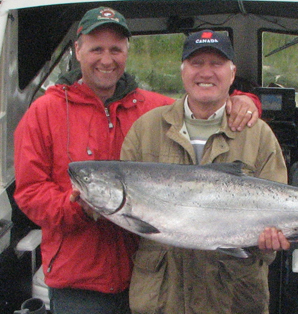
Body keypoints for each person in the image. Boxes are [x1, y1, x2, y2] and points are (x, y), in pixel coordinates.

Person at [13, 7, 262, 314]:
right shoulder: (43, 112)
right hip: (79, 283)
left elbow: (201, 102)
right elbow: (29, 194)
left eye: (116, 49)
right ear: (77, 51)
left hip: (148, 279)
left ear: (127, 52)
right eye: (96, 49)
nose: (107, 59)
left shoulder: (152, 107)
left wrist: (245, 101)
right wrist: (75, 208)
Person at [120, 29, 290, 314]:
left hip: (232, 297)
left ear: (232, 73)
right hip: (162, 296)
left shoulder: (258, 134)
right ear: (183, 70)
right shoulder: (146, 129)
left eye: (217, 63)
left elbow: (278, 206)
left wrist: (269, 241)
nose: (206, 72)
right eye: (197, 63)